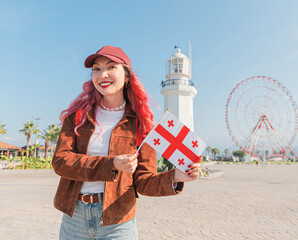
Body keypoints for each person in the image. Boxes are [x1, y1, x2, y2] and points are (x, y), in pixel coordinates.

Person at [52, 45, 202, 239]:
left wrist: (175, 177)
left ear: (127, 76)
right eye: (96, 69)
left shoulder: (141, 123)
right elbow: (60, 162)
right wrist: (111, 164)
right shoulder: (77, 117)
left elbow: (143, 181)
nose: (102, 74)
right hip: (75, 219)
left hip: (118, 221)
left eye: (111, 67)